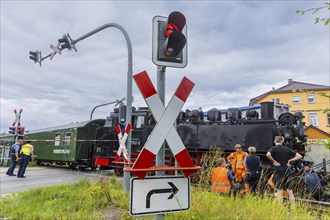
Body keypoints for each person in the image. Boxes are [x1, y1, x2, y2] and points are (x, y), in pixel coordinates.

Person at [266, 136, 302, 204]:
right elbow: (300, 156)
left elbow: (268, 155)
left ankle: (280, 208)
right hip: (288, 170)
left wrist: (274, 161)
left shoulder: (273, 149)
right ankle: (293, 207)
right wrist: (290, 160)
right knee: (290, 191)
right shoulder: (287, 149)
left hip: (279, 170)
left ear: (274, 141)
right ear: (282, 141)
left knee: (280, 191)